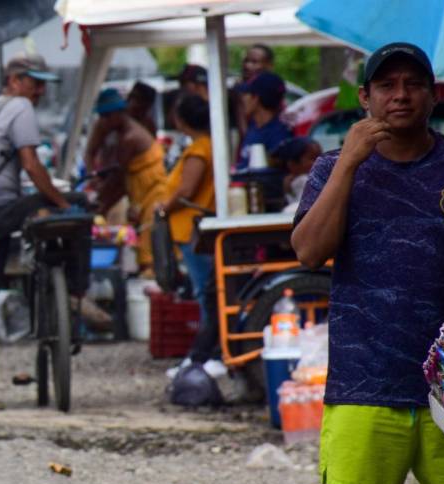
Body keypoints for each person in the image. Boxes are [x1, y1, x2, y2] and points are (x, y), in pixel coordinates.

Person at [291, 42, 444, 484]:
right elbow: (310, 251)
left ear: (432, 94)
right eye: (386, 85)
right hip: (365, 373)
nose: (400, 95)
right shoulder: (333, 167)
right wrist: (347, 164)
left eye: (413, 84)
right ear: (364, 99)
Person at [0, 53, 78, 412]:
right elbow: (31, 164)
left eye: (43, 83)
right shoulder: (21, 108)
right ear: (13, 80)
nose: (40, 90)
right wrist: (61, 201)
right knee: (76, 205)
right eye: (34, 81)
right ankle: (70, 291)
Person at [157, 95, 223, 379]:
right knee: (205, 292)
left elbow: (186, 190)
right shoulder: (206, 145)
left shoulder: (199, 150)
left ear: (181, 120)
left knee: (205, 294)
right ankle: (205, 353)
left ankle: (205, 355)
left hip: (192, 231)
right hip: (192, 230)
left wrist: (163, 207)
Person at [87, 87, 169, 272]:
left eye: (107, 117)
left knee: (151, 253)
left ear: (118, 114)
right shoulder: (114, 130)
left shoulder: (131, 137)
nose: (103, 122)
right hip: (140, 192)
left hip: (155, 192)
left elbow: (118, 177)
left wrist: (101, 205)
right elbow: (92, 153)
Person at [235, 71, 293, 171]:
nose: (242, 99)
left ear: (255, 98)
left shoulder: (279, 134)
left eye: (246, 94)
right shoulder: (253, 126)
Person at [271, 136, 322, 206]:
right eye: (312, 158)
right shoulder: (304, 181)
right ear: (292, 164)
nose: (320, 162)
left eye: (321, 156)